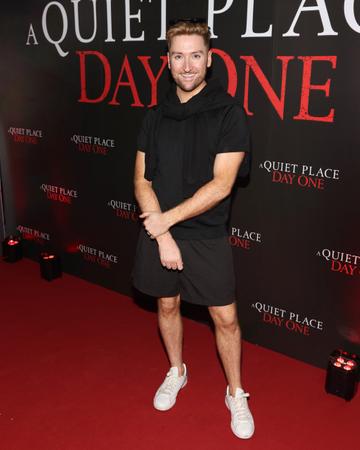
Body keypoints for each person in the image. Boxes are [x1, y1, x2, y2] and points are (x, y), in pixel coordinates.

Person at [132, 18, 254, 440]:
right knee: (167, 307)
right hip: (160, 231)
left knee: (225, 318)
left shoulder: (229, 113)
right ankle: (176, 370)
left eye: (195, 55)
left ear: (210, 60)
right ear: (167, 61)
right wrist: (162, 233)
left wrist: (168, 220)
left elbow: (222, 183)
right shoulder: (154, 115)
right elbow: (141, 180)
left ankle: (236, 392)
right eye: (178, 56)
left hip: (205, 233)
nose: (187, 65)